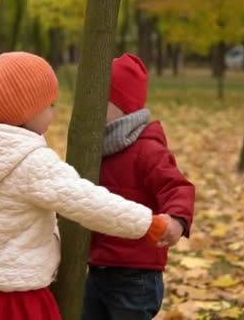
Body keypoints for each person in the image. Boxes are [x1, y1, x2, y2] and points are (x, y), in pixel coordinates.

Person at [0, 52, 172, 320]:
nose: (54, 112)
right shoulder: (33, 162)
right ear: (28, 110)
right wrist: (147, 223)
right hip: (21, 295)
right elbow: (87, 202)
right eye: (50, 105)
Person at [83, 53, 196, 320]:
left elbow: (177, 186)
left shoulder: (146, 149)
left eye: (102, 100)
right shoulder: (93, 147)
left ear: (123, 106)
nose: (92, 106)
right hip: (97, 267)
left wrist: (177, 220)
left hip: (136, 275)